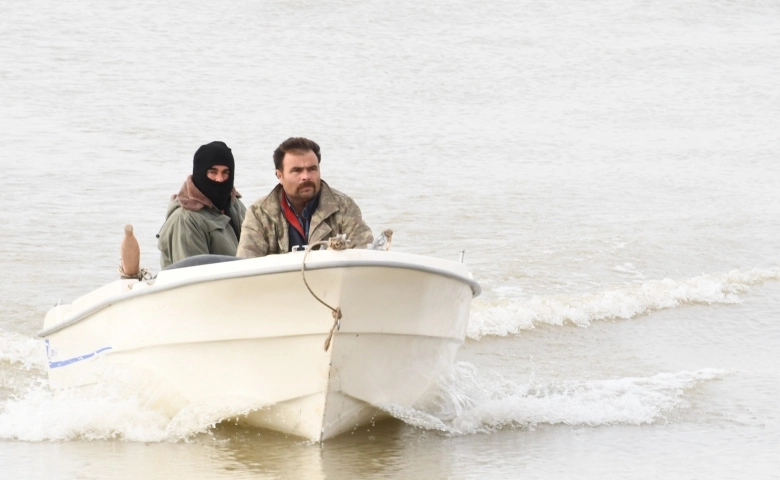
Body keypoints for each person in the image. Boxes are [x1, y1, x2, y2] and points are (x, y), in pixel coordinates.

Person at [236, 137, 373, 257]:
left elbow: (365, 254)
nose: (306, 176)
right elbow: (246, 263)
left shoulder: (344, 207)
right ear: (280, 175)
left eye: (312, 169)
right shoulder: (259, 213)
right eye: (297, 170)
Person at [157, 141, 247, 268]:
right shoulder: (186, 220)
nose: (220, 179)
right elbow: (193, 278)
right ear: (200, 173)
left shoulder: (235, 205)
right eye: (213, 172)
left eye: (225, 172)